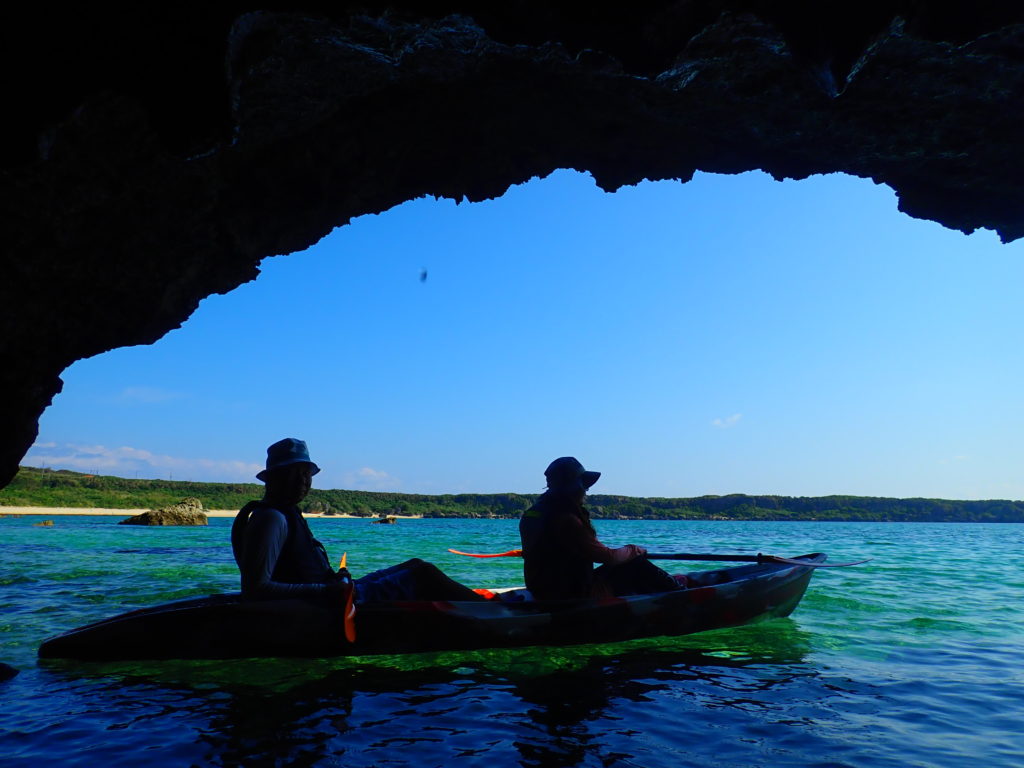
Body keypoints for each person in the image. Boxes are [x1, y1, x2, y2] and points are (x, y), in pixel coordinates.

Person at [231, 438, 486, 602]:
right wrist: (327, 591)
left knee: (417, 564)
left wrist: (334, 581)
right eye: (293, 474)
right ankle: (495, 612)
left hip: (335, 593)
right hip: (331, 604)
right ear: (273, 478)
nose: (303, 482)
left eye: (306, 475)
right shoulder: (272, 519)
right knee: (422, 574)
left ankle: (481, 605)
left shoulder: (282, 513)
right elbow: (256, 589)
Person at [518, 456, 680, 600]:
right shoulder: (566, 519)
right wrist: (634, 550)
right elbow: (607, 556)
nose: (586, 491)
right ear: (574, 486)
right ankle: (679, 591)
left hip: (542, 592)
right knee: (636, 563)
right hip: (571, 596)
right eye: (584, 486)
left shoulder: (531, 514)